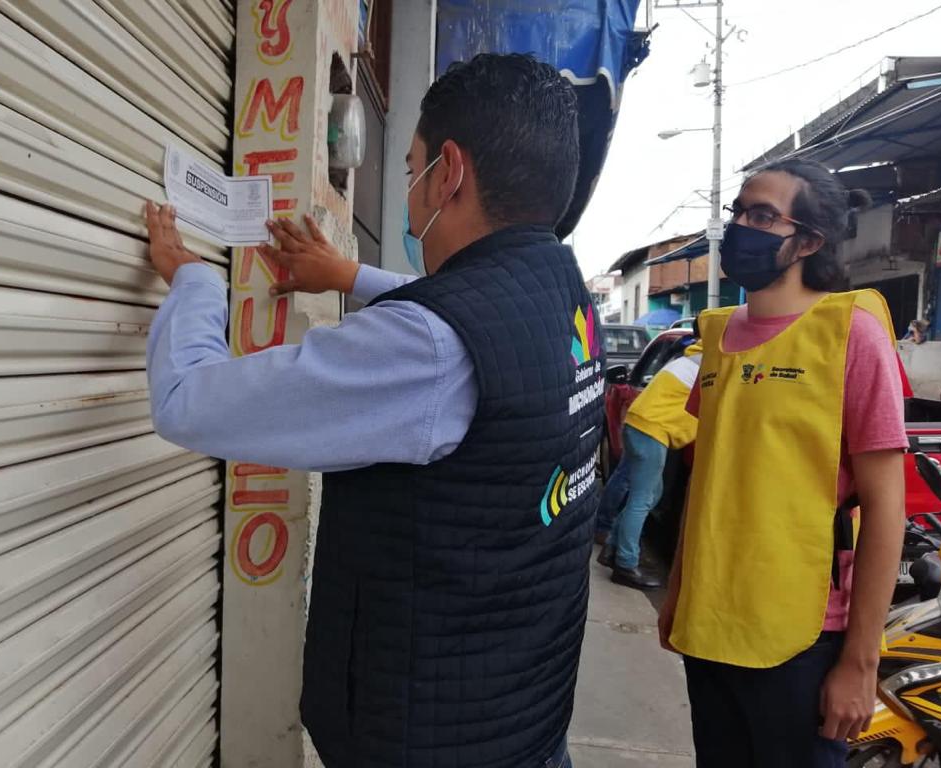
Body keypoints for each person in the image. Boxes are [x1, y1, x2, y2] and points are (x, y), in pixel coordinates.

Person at [143, 53, 601, 768]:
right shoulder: (562, 293)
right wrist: (349, 275)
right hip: (522, 718)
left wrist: (196, 283)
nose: (410, 192)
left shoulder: (428, 346)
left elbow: (185, 402)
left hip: (430, 741)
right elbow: (463, 327)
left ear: (449, 174)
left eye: (413, 167)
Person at [657, 159, 907, 767]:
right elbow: (707, 477)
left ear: (810, 241)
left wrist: (859, 662)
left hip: (801, 638)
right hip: (710, 625)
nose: (742, 226)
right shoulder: (716, 336)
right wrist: (678, 589)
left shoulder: (849, 333)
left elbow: (886, 508)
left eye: (764, 216)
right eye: (739, 211)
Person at [596, 331, 701, 589]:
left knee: (650, 494)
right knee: (642, 499)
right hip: (651, 431)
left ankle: (612, 549)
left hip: (639, 426)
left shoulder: (690, 359)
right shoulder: (708, 366)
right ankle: (625, 564)